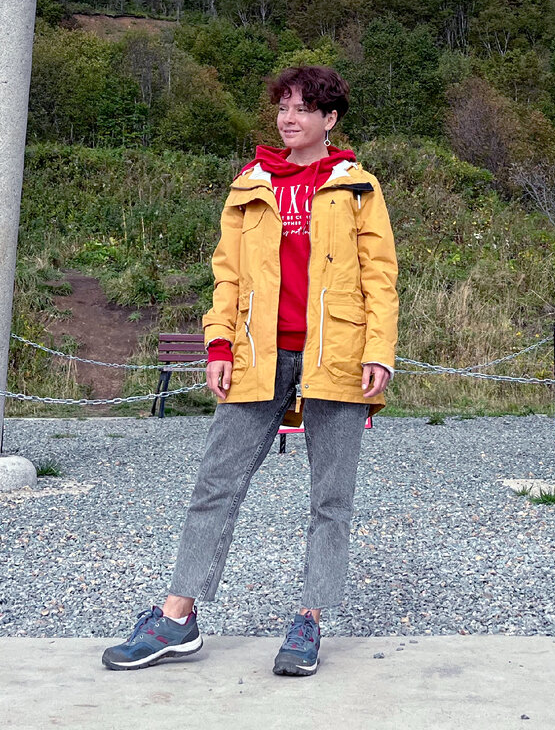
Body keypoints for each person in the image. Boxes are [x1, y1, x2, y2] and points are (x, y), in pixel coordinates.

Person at [102, 65, 399, 677]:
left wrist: (379, 351)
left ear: (330, 119)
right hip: (257, 357)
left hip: (335, 356)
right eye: (283, 106)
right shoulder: (249, 185)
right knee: (216, 481)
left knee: (331, 497)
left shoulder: (359, 188)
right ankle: (177, 618)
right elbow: (227, 276)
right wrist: (218, 346)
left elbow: (381, 278)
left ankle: (309, 621)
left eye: (303, 108)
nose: (289, 118)